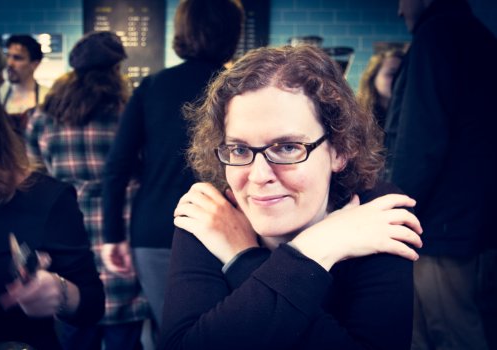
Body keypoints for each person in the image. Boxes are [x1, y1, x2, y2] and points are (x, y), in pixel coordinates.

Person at [159, 44, 423, 350]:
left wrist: (243, 260)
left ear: (340, 149)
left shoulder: (376, 212)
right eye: (240, 149)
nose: (258, 176)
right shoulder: (213, 216)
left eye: (287, 148)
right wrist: (316, 249)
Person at [101, 0, 244, 340]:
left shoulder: (152, 87)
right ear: (233, 33)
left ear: (181, 31)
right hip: (230, 226)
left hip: (154, 230)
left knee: (170, 331)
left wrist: (111, 237)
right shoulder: (240, 88)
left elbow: (117, 167)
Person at [0, 45, 104, 350]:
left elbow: (91, 304)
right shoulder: (122, 110)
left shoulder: (43, 197)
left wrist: (58, 291)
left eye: (18, 57)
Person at [383, 0, 497, 349]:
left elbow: (420, 142)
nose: (400, 11)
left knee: (451, 333)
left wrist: (390, 208)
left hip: (443, 228)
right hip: (471, 224)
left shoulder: (438, 36)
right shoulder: (476, 34)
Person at [25, 31, 149, 350]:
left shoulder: (44, 116)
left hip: (68, 239)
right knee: (124, 337)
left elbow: (32, 182)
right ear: (116, 70)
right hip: (121, 236)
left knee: (75, 329)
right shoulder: (128, 113)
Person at [0, 34, 49, 135]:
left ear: (35, 64)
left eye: (17, 58)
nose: (9, 63)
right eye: (8, 56)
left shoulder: (47, 97)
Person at [356, 48, 404, 129]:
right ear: (373, 77)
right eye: (392, 73)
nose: (400, 79)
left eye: (403, 75)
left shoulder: (412, 115)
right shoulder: (356, 117)